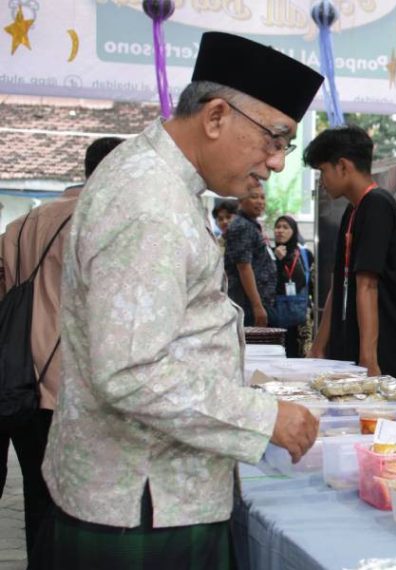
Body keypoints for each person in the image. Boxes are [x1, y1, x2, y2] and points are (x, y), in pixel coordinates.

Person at [35, 32, 323, 568]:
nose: (277, 163)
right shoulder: (150, 203)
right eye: (274, 139)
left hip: (145, 493)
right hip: (142, 505)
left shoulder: (161, 180)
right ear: (216, 117)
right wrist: (261, 418)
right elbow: (130, 372)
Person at [0, 136, 123, 555]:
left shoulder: (20, 226)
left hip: (16, 377)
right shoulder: (102, 221)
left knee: (37, 493)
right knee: (72, 501)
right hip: (70, 382)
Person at [304, 126, 396, 392]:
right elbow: (339, 284)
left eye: (323, 171)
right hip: (354, 345)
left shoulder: (378, 206)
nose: (322, 182)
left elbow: (367, 285)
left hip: (388, 346)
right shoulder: (353, 210)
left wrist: (369, 360)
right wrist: (318, 348)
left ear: (343, 167)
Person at [225, 186, 276, 327]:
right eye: (254, 197)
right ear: (241, 200)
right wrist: (257, 306)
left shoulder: (251, 225)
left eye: (262, 197)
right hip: (247, 304)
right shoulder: (242, 226)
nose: (260, 201)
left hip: (259, 301)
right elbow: (244, 267)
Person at [272, 215, 313, 357]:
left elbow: (311, 282)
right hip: (276, 315)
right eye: (278, 227)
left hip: (300, 317)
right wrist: (278, 261)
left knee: (298, 354)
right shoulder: (269, 254)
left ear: (294, 231)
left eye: (285, 227)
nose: (280, 231)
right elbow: (268, 282)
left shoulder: (304, 254)